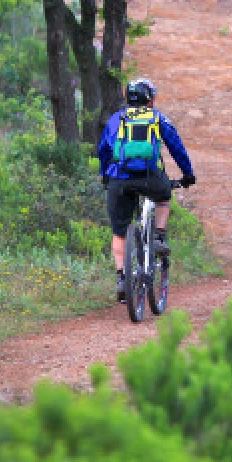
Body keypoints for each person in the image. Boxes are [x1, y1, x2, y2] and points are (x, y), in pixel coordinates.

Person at [97, 78, 196, 302]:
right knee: (164, 196)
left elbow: (103, 149)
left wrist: (106, 174)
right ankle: (159, 235)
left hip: (119, 178)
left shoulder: (116, 119)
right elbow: (176, 146)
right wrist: (187, 174)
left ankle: (122, 277)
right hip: (150, 177)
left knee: (119, 232)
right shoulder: (157, 118)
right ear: (149, 99)